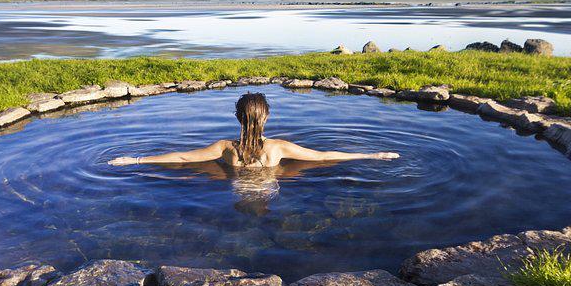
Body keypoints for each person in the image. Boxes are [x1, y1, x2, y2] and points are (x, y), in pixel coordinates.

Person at [108, 92, 399, 167]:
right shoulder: (278, 148)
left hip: (238, 193)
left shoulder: (225, 148)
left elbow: (182, 157)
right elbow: (323, 156)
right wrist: (371, 155)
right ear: (266, 117)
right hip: (268, 192)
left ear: (237, 117)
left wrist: (136, 160)